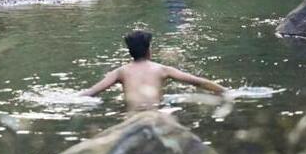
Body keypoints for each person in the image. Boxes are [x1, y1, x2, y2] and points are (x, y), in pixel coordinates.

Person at [80, 30, 226, 110]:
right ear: (149, 51)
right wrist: (225, 91)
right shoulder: (162, 69)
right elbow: (198, 82)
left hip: (133, 115)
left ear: (130, 52)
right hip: (155, 113)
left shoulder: (120, 72)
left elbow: (91, 92)